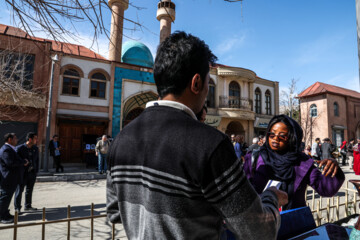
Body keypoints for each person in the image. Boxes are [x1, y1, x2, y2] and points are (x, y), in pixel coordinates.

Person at [107, 31, 287, 240]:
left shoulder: (121, 140)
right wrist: (271, 198)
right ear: (196, 83)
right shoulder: (210, 146)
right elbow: (258, 231)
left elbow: (115, 212)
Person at [244, 115, 345, 210]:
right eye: (272, 134)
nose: (275, 138)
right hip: (259, 222)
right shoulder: (254, 158)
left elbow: (326, 189)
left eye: (282, 136)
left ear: (292, 138)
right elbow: (242, 191)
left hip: (292, 222)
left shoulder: (303, 163)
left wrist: (333, 168)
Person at [0, 133, 28, 224]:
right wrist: (23, 162)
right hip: (8, 178)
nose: (17, 140)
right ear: (9, 139)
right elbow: (10, 163)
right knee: (4, 197)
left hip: (12, 178)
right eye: (15, 138)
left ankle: (5, 213)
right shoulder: (5, 150)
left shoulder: (11, 149)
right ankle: (1, 217)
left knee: (7, 198)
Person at [14, 132, 39, 213]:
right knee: (19, 190)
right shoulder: (19, 148)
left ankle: (28, 206)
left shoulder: (35, 148)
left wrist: (36, 171)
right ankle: (17, 208)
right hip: (22, 174)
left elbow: (37, 160)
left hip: (32, 173)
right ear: (30, 139)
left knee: (29, 189)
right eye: (35, 138)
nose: (36, 140)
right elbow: (16, 161)